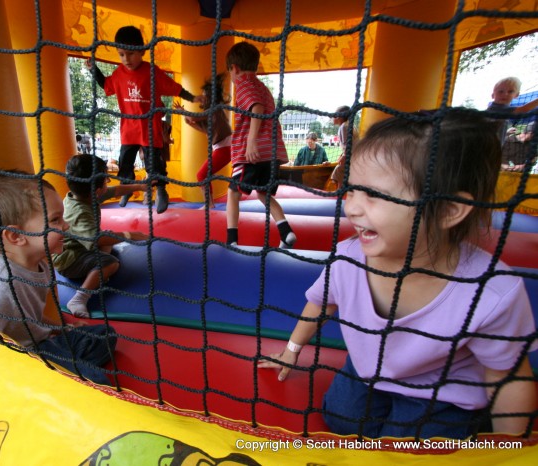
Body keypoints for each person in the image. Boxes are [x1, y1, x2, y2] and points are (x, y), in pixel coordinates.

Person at [258, 110, 536, 439]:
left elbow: (506, 378)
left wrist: (508, 449)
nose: (352, 208)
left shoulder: (488, 290)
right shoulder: (349, 258)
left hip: (441, 389)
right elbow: (321, 303)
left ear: (448, 210)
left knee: (417, 446)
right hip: (368, 370)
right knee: (341, 421)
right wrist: (290, 351)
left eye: (374, 195)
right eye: (352, 190)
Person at [0, 171, 117, 385]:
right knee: (98, 382)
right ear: (16, 236)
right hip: (18, 360)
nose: (66, 226)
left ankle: (64, 374)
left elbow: (29, 316)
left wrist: (59, 328)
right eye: (55, 220)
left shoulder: (40, 261)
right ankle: (59, 379)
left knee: (105, 335)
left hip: (41, 343)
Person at [86, 25, 206, 213]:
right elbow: (106, 85)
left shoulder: (152, 72)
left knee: (154, 164)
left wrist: (192, 98)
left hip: (150, 128)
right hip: (129, 129)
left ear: (142, 51)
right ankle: (127, 188)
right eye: (122, 54)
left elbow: (174, 88)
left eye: (131, 54)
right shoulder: (119, 73)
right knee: (125, 162)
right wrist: (95, 70)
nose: (126, 59)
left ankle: (161, 190)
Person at [53, 154, 150, 317]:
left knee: (109, 237)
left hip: (83, 245)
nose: (108, 184)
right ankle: (79, 299)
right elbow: (95, 240)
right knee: (111, 263)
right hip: (69, 259)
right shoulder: (79, 212)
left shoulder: (87, 195)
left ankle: (97, 270)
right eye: (106, 180)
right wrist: (130, 235)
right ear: (98, 190)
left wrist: (140, 186)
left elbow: (116, 190)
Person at [224, 42, 296, 249]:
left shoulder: (244, 83)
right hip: (270, 153)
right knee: (263, 193)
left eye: (230, 71)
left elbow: (257, 107)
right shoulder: (262, 86)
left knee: (233, 192)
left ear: (234, 68)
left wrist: (251, 141)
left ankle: (232, 240)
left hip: (252, 153)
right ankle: (286, 231)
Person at [179, 73, 233, 208]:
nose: (201, 98)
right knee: (203, 175)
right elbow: (199, 124)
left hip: (225, 149)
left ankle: (209, 204)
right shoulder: (213, 113)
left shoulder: (214, 109)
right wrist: (189, 120)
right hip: (223, 148)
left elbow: (196, 117)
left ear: (210, 97)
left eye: (204, 95)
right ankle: (210, 203)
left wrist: (183, 112)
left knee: (202, 174)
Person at [487, 77, 538, 146]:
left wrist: (506, 132)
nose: (505, 94)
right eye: (501, 91)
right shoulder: (498, 108)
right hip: (488, 147)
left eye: (510, 91)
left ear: (516, 95)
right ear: (493, 95)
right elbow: (524, 109)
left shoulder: (501, 110)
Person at [329, 105, 359, 188]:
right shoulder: (349, 125)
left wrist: (345, 156)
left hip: (352, 157)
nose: (333, 117)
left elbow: (348, 144)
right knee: (340, 173)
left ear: (339, 116)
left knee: (339, 173)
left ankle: (340, 194)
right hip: (355, 156)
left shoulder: (344, 127)